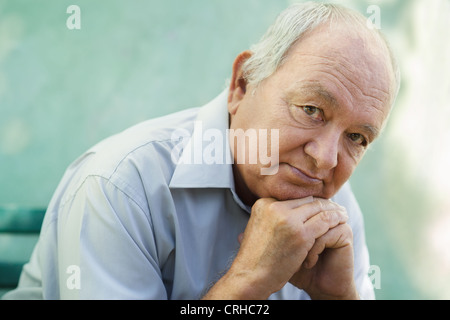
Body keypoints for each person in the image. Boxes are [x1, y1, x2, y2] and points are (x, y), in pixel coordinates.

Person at [3, 2, 399, 300]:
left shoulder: (338, 212)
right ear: (242, 85)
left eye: (357, 138)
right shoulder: (120, 186)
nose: (326, 158)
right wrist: (247, 282)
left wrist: (340, 298)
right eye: (311, 110)